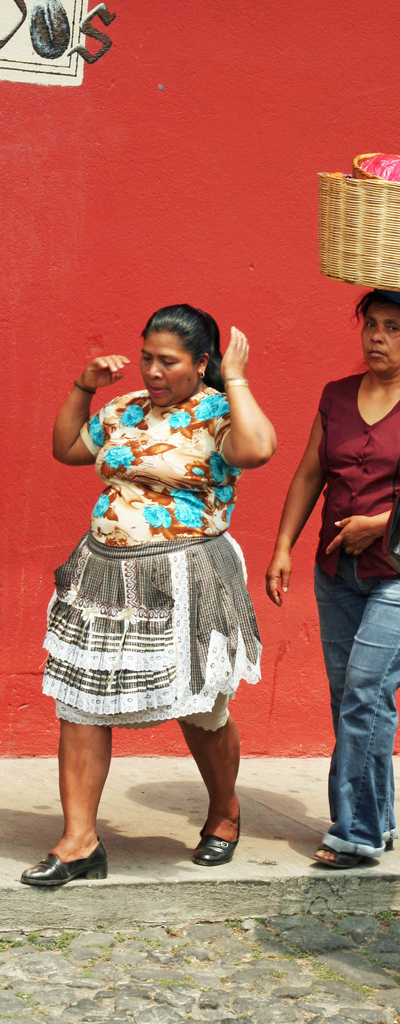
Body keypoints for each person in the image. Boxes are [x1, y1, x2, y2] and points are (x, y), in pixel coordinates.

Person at [22, 305, 276, 887]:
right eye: (147, 358)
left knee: (199, 704)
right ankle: (79, 841)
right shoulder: (123, 409)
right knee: (81, 702)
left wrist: (236, 379)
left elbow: (258, 450)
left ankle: (224, 811)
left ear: (201, 362)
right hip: (104, 576)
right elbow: (68, 449)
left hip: (185, 575)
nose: (153, 371)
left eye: (168, 361)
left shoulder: (219, 413)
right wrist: (83, 387)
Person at [265, 290, 400, 868]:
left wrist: (380, 524)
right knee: (352, 696)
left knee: (366, 692)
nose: (376, 337)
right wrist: (282, 546)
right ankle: (381, 816)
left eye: (393, 328)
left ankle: (357, 831)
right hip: (336, 570)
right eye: (370, 325)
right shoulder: (336, 396)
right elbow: (307, 475)